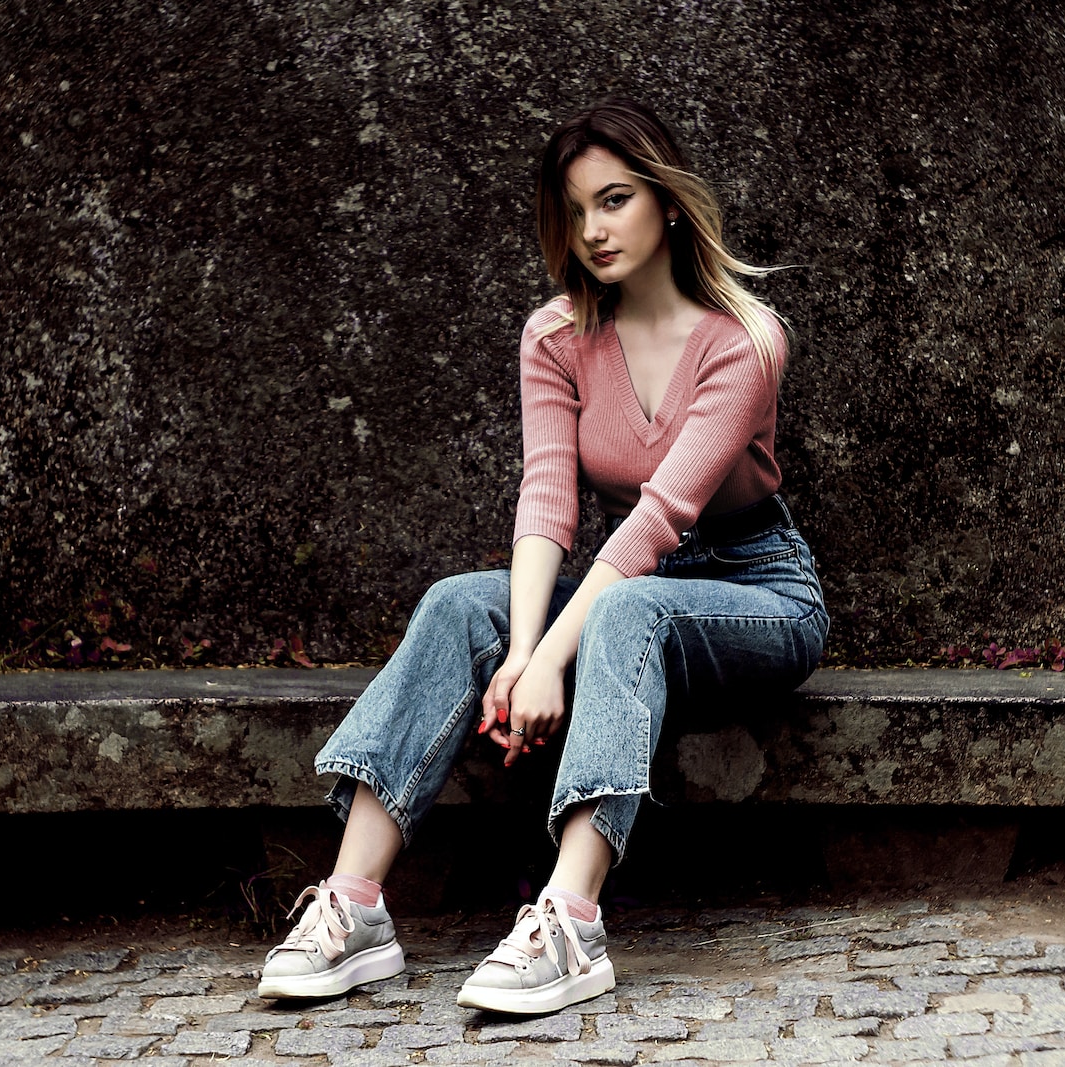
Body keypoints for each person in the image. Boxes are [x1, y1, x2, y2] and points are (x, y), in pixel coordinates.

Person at [256, 97, 829, 1015]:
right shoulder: (556, 335)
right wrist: (524, 651)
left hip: (754, 588)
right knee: (457, 602)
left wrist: (557, 652)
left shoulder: (745, 340)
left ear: (668, 202)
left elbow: (659, 520)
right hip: (627, 588)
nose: (593, 230)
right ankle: (355, 902)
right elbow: (548, 500)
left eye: (614, 200)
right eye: (574, 210)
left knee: (626, 607)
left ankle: (570, 918)